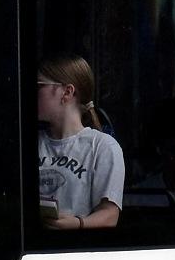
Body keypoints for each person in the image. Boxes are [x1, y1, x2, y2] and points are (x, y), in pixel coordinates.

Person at [35, 55, 124, 231]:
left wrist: (77, 224)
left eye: (39, 86)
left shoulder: (103, 146)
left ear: (67, 92)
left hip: (77, 249)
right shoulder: (31, 141)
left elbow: (110, 214)